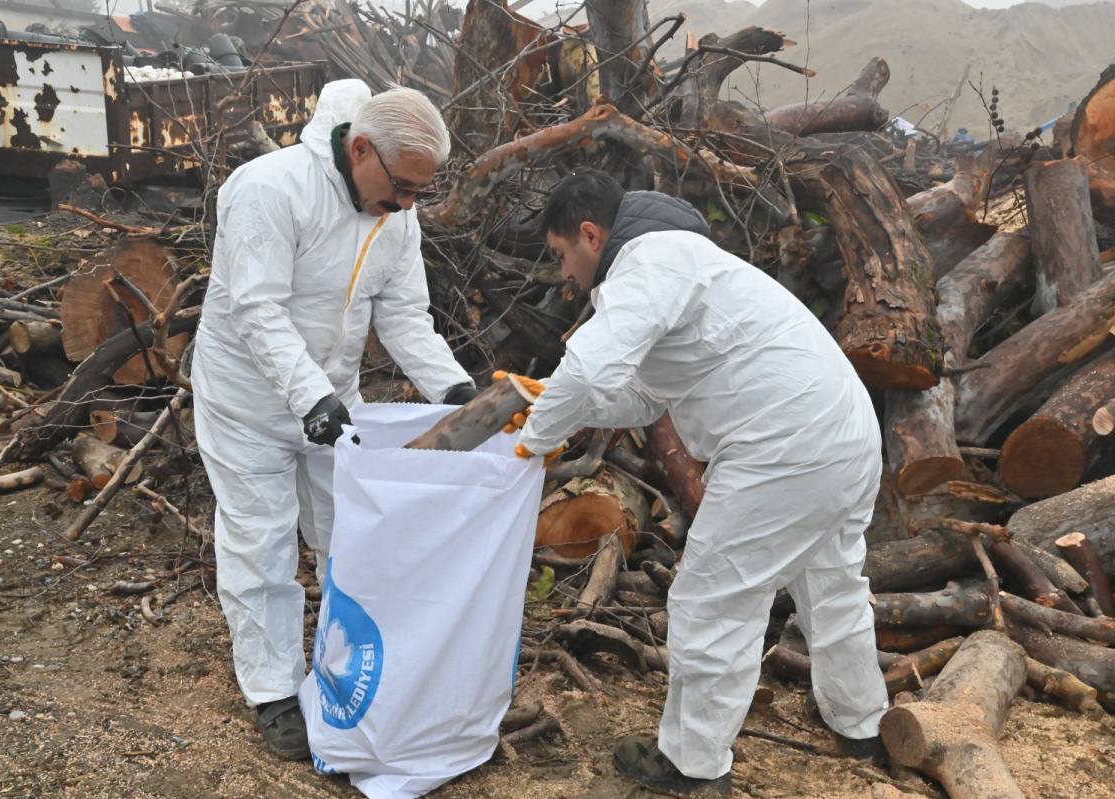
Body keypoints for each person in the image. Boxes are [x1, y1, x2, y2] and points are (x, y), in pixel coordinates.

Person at [513, 169, 888, 795]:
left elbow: (590, 367)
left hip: (785, 449)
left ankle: (692, 765)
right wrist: (548, 398)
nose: (564, 274)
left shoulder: (647, 262)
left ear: (590, 234)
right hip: (840, 435)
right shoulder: (686, 263)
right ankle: (862, 723)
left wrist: (531, 441)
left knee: (711, 600)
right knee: (831, 585)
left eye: (561, 255)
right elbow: (640, 395)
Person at [191, 79, 476, 761]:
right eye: (403, 187)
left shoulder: (395, 215)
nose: (408, 204)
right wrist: (307, 395)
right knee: (261, 543)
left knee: (347, 535)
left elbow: (403, 314)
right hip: (247, 401)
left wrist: (453, 387)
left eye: (420, 192)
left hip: (330, 402)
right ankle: (272, 690)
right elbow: (257, 309)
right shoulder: (270, 189)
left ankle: (346, 667)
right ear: (360, 149)